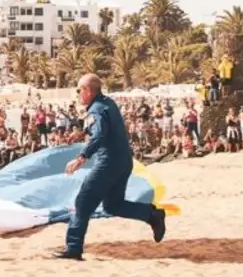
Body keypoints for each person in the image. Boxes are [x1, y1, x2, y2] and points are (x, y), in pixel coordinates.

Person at [56, 73, 167, 260]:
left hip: (108, 164)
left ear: (88, 91)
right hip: (124, 162)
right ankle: (152, 214)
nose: (77, 94)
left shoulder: (96, 110)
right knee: (114, 205)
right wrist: (82, 132)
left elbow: (100, 134)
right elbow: (104, 126)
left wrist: (81, 157)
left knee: (83, 203)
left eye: (78, 90)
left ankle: (73, 249)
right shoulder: (108, 103)